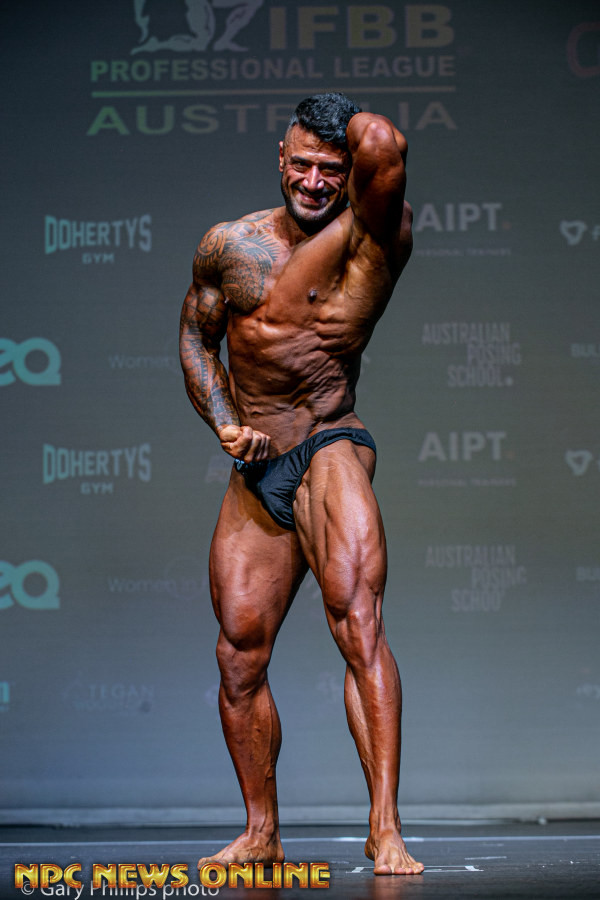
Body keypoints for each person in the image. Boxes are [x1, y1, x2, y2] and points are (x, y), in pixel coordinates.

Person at [179, 92, 424, 876]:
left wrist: (338, 121)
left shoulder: (373, 240)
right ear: (280, 160)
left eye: (331, 169)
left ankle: (385, 829)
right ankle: (261, 832)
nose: (315, 182)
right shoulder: (231, 246)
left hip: (327, 440)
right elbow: (197, 339)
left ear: (350, 174)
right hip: (256, 464)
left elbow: (381, 139)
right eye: (303, 164)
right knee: (238, 657)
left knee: (359, 626)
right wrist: (224, 422)